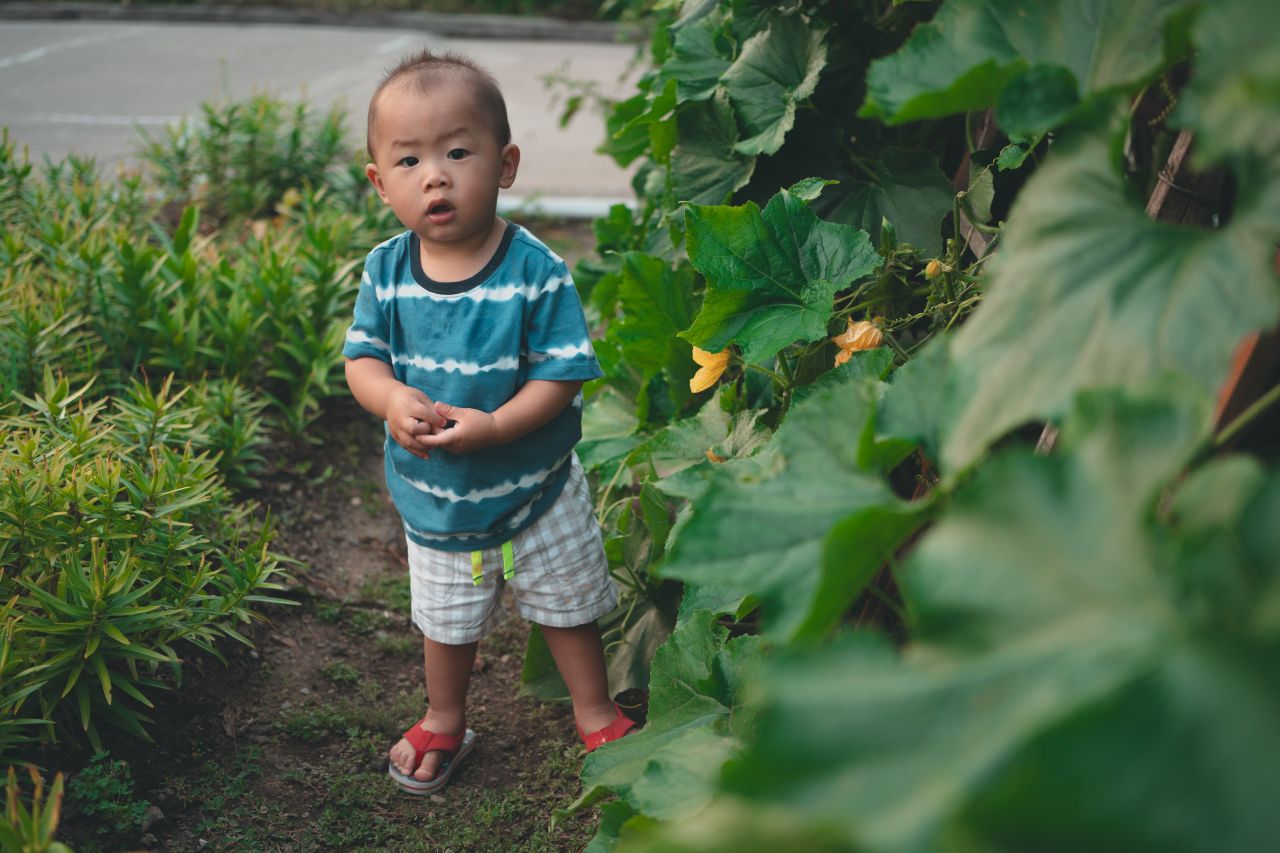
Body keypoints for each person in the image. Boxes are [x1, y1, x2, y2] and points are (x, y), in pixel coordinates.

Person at [343, 49, 634, 796]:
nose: (434, 174)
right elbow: (363, 362)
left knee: (568, 604)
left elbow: (562, 374)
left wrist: (499, 425)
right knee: (446, 621)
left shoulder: (535, 269)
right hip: (439, 499)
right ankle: (445, 714)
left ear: (504, 165)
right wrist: (388, 399)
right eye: (408, 160)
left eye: (457, 151)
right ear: (380, 183)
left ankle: (594, 708)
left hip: (538, 486)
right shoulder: (385, 271)